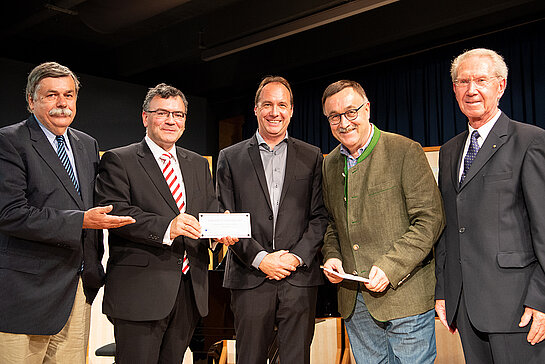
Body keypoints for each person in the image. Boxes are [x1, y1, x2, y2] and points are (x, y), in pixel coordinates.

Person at [0, 62, 134, 363]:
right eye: (51, 95)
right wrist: (82, 221)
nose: (62, 103)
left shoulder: (87, 144)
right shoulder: (9, 141)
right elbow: (9, 213)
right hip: (25, 292)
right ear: (31, 100)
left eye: (69, 95)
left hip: (76, 289)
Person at [321, 80, 445, 364]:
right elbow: (332, 225)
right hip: (356, 305)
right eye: (334, 116)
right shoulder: (329, 164)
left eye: (351, 112)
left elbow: (430, 220)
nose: (344, 122)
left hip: (407, 298)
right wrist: (332, 256)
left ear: (367, 109)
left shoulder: (405, 151)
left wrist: (389, 268)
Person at [435, 48, 545, 363]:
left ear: (501, 86)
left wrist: (542, 299)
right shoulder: (449, 151)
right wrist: (444, 290)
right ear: (454, 89)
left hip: (519, 308)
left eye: (481, 80)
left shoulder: (530, 141)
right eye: (463, 82)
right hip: (466, 306)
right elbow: (449, 227)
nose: (472, 90)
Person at [95, 83, 218, 364]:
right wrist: (167, 227)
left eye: (179, 114)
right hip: (140, 292)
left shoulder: (198, 164)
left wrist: (218, 233)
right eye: (162, 113)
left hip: (189, 290)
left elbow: (208, 213)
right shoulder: (120, 160)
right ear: (145, 117)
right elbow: (116, 214)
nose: (171, 121)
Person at [215, 76, 328, 364]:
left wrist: (294, 258)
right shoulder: (230, 157)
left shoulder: (313, 156)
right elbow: (226, 217)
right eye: (267, 104)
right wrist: (261, 258)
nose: (274, 112)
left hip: (298, 279)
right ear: (256, 109)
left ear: (291, 110)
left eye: (281, 105)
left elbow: (319, 217)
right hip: (249, 277)